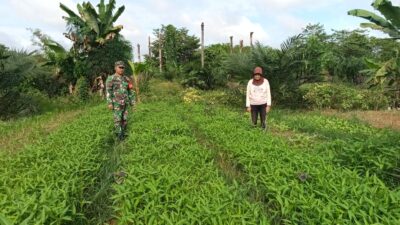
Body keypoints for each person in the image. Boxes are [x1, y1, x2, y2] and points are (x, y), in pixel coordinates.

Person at [106, 61, 135, 140]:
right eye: (120, 67)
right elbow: (108, 91)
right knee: (118, 119)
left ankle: (124, 133)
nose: (122, 69)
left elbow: (130, 91)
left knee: (125, 119)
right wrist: (109, 103)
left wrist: (132, 103)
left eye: (123, 68)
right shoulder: (111, 78)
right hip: (116, 103)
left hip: (125, 103)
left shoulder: (126, 79)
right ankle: (119, 136)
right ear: (115, 68)